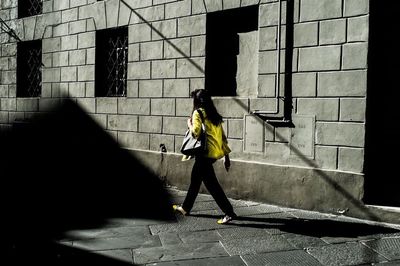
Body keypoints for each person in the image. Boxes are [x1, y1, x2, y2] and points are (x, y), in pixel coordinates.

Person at [173, 89, 237, 224]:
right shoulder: (214, 115)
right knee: (195, 181)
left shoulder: (198, 113)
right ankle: (185, 208)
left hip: (203, 154)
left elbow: (196, 133)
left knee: (212, 185)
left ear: (196, 101)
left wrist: (189, 124)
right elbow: (222, 138)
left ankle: (229, 212)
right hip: (213, 154)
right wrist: (226, 156)